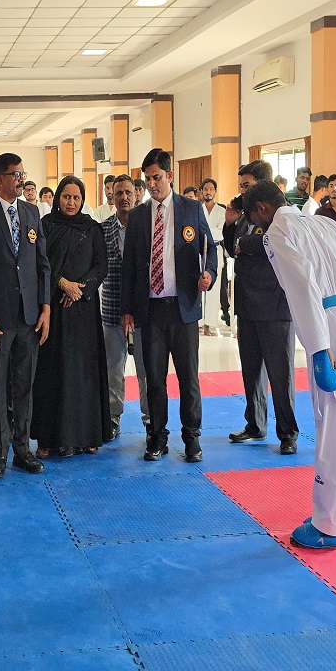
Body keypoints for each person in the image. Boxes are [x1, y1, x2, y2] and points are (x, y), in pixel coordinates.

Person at [243, 181, 336, 549]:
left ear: (262, 209)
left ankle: (327, 526)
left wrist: (319, 349)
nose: (257, 226)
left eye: (254, 219)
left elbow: (302, 287)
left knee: (334, 431)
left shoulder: (279, 231)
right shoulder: (325, 223)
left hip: (330, 328)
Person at [120, 149, 217, 463]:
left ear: (170, 176)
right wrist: (127, 309)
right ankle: (157, 437)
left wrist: (208, 273)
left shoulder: (191, 209)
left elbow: (210, 249)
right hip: (150, 310)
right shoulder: (138, 216)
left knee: (189, 379)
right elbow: (129, 265)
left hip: (183, 308)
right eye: (147, 179)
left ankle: (192, 438)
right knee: (154, 379)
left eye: (157, 177)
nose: (152, 184)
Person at [0, 153, 52, 479]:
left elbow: (42, 264)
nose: (21, 180)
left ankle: (22, 450)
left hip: (29, 316)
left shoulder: (31, 212)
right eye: (15, 175)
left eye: (22, 174)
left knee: (24, 386)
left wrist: (45, 307)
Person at [224, 161, 298, 454]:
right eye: (241, 186)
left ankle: (288, 433)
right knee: (251, 370)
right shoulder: (245, 214)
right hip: (247, 302)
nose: (242, 192)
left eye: (247, 186)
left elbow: (270, 244)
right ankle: (255, 424)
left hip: (275, 304)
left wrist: (245, 244)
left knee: (281, 373)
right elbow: (233, 249)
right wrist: (230, 224)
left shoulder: (282, 214)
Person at [32, 175, 110, 458]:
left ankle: (87, 435)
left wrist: (81, 288)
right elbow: (39, 263)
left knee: (83, 373)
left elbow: (101, 265)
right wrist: (62, 283)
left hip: (84, 311)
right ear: (58, 198)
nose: (71, 202)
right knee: (53, 371)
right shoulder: (46, 226)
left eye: (77, 197)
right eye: (66, 196)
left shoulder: (92, 228)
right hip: (53, 309)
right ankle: (49, 438)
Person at [100, 175, 149, 437]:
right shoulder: (103, 228)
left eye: (128, 192)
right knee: (113, 369)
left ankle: (150, 418)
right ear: (112, 196)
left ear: (137, 194)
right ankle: (112, 417)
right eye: (118, 193)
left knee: (146, 369)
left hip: (142, 309)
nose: (124, 198)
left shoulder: (147, 225)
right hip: (112, 307)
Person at [200, 178, 229, 336]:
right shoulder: (198, 208)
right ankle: (198, 322)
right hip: (199, 251)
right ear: (202, 191)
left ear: (215, 192)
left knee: (213, 290)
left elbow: (220, 232)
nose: (208, 192)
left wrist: (205, 232)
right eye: (206, 189)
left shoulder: (221, 210)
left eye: (211, 189)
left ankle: (209, 325)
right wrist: (208, 232)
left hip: (215, 250)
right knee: (199, 288)